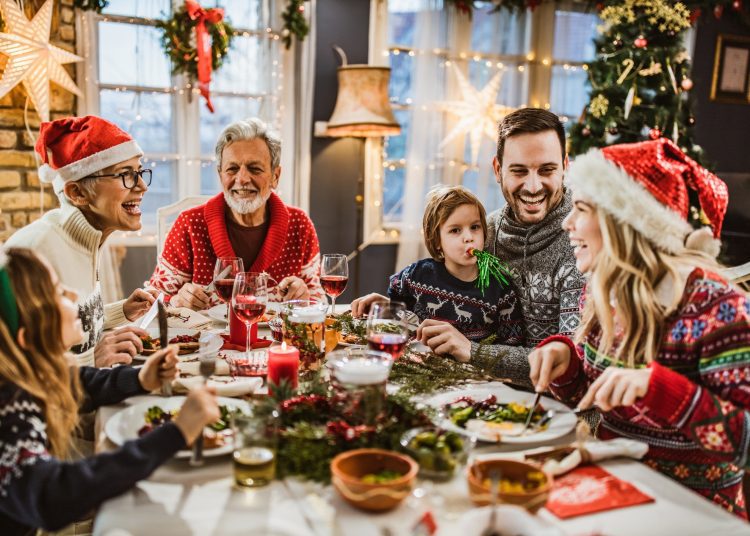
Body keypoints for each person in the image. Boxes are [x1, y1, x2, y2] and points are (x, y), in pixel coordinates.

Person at [528, 139, 750, 518]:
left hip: (694, 511)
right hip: (613, 491)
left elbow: (744, 440)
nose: (567, 222)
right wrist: (565, 361)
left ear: (623, 224)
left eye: (580, 209)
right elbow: (590, 395)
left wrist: (659, 388)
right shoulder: (602, 291)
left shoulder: (717, 308)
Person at [353, 109, 583, 386]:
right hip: (476, 391)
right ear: (498, 170)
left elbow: (574, 365)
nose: (533, 187)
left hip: (557, 409)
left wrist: (472, 351)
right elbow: (444, 309)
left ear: (565, 166)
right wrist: (395, 313)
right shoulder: (484, 231)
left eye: (547, 170)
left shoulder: (584, 244)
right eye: (519, 170)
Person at [0, 247, 220, 535]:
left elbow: (80, 382)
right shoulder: (9, 410)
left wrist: (140, 379)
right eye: (57, 292)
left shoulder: (28, 376)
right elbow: (51, 496)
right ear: (28, 338)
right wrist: (176, 433)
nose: (73, 296)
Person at [6, 116, 156, 367]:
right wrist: (91, 359)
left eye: (139, 172)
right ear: (77, 193)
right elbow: (12, 366)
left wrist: (122, 311)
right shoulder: (33, 252)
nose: (142, 186)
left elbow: (65, 328)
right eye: (126, 175)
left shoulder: (87, 238)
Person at [148, 117, 324, 309]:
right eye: (232, 169)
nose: (242, 179)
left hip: (275, 339)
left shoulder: (299, 224)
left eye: (254, 169)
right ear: (220, 174)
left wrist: (305, 298)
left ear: (275, 176)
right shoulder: (190, 224)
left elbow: (319, 300)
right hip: (205, 339)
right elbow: (153, 301)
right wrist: (174, 301)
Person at [358, 185, 524, 345]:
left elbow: (511, 343)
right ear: (437, 241)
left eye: (474, 227)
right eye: (455, 230)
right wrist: (387, 307)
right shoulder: (415, 275)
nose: (468, 237)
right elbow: (403, 318)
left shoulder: (500, 289)